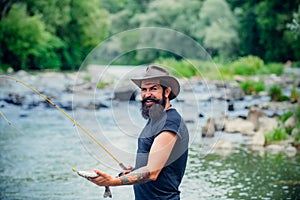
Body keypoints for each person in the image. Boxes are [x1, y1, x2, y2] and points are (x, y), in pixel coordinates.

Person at [89, 65, 189, 200]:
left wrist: (113, 182)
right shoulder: (155, 118)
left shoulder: (170, 123)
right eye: (144, 89)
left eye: (153, 88)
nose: (147, 94)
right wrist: (134, 170)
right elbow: (154, 162)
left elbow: (152, 171)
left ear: (167, 92)